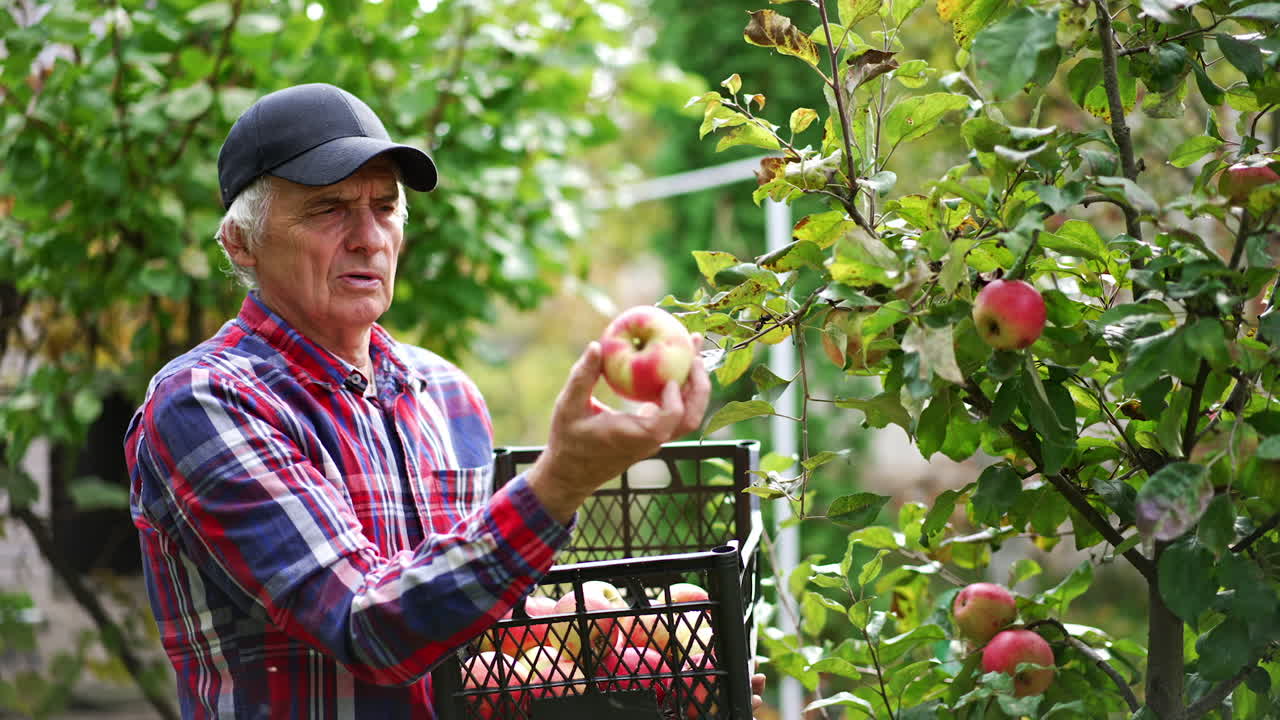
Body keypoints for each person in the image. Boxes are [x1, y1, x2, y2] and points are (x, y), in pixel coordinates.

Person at [125, 83, 763, 718]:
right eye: (328, 209)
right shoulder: (206, 402)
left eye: (385, 207)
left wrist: (656, 678)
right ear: (242, 243)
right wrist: (560, 483)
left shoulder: (446, 394)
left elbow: (466, 626)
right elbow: (365, 626)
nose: (368, 237)